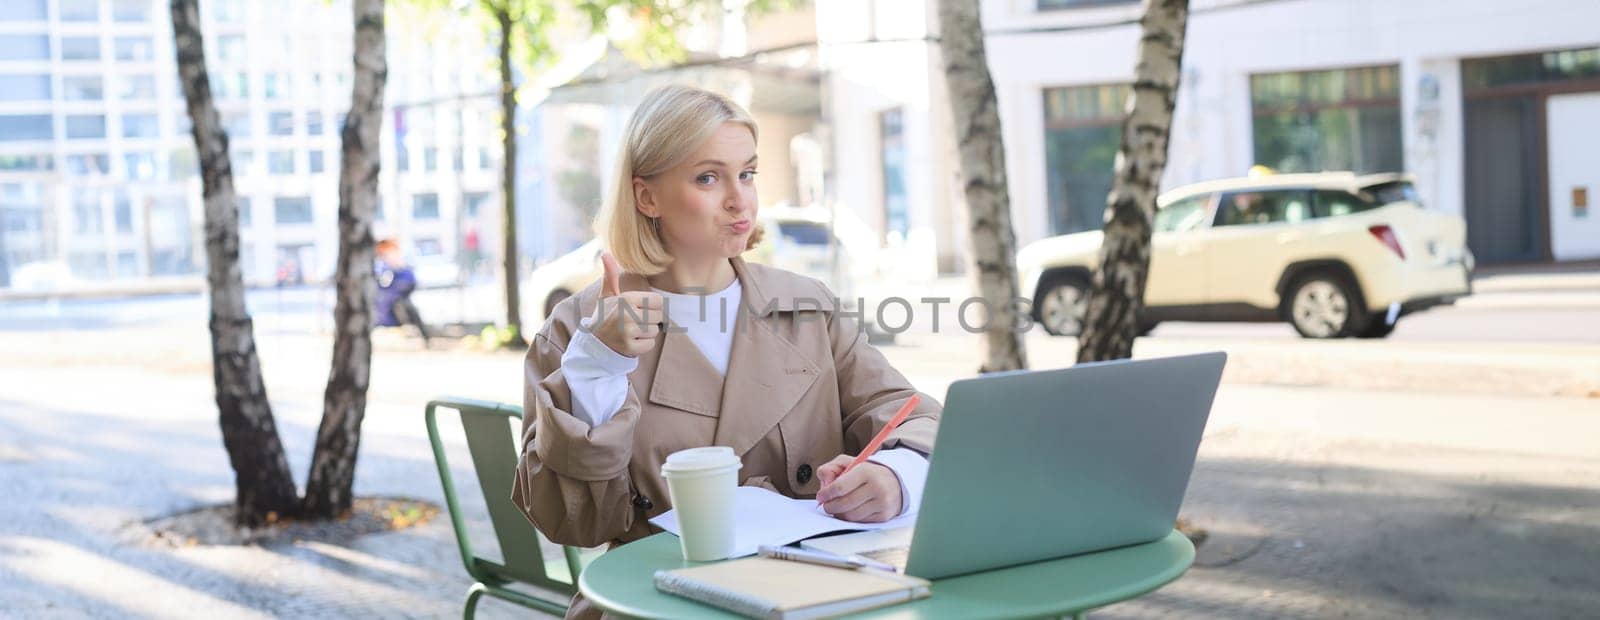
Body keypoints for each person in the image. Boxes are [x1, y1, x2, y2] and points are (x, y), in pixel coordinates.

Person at [511, 85, 940, 619]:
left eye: (749, 173)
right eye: (708, 178)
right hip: (651, 604)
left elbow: (912, 414)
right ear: (647, 197)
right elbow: (572, 522)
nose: (740, 199)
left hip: (809, 595)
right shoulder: (577, 328)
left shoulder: (806, 305)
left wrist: (894, 478)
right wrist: (599, 365)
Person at [374, 239, 430, 347]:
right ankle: (411, 328)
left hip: (402, 284)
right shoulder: (387, 258)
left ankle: (409, 326)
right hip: (399, 285)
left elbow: (389, 276)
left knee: (399, 304)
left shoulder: (390, 255)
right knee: (400, 305)